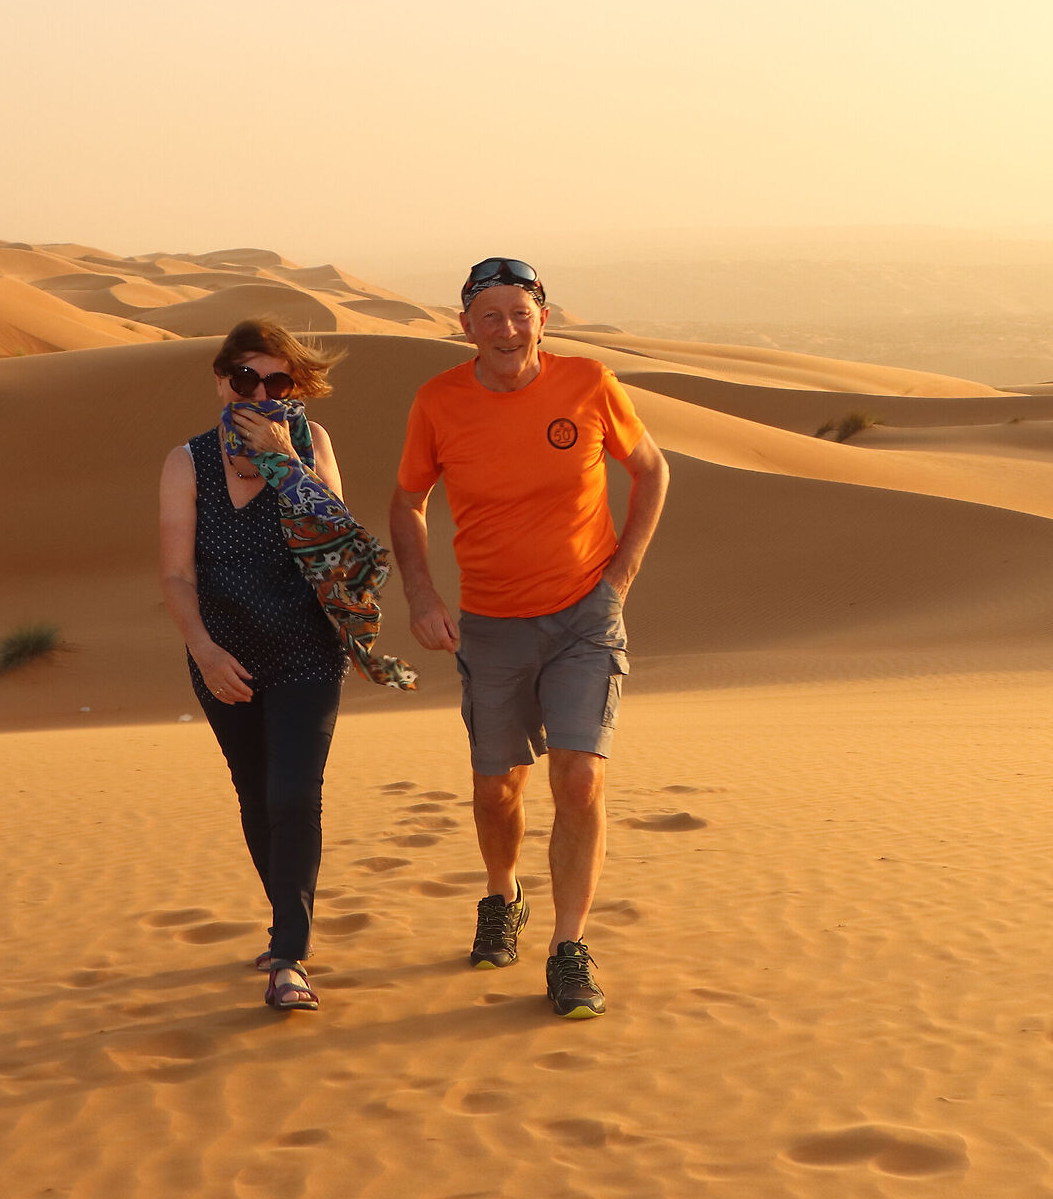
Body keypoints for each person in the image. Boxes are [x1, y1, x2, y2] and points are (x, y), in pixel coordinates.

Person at [389, 258, 670, 1018]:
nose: (507, 330)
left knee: (580, 779)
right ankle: (501, 895)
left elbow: (651, 470)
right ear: (465, 327)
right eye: (490, 317)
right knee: (496, 787)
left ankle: (568, 947)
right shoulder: (438, 402)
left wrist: (621, 578)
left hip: (585, 615)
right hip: (490, 621)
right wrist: (421, 596)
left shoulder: (589, 383)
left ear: (544, 318)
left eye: (520, 314)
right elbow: (408, 503)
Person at [157, 319, 353, 1013]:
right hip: (224, 657)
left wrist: (283, 459)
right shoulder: (188, 463)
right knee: (256, 795)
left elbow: (336, 535)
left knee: (295, 795)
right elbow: (178, 576)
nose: (261, 392)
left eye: (278, 381)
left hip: (307, 648)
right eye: (247, 378)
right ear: (221, 380)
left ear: (295, 389)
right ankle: (284, 931)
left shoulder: (311, 445)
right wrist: (204, 651)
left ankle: (290, 956)